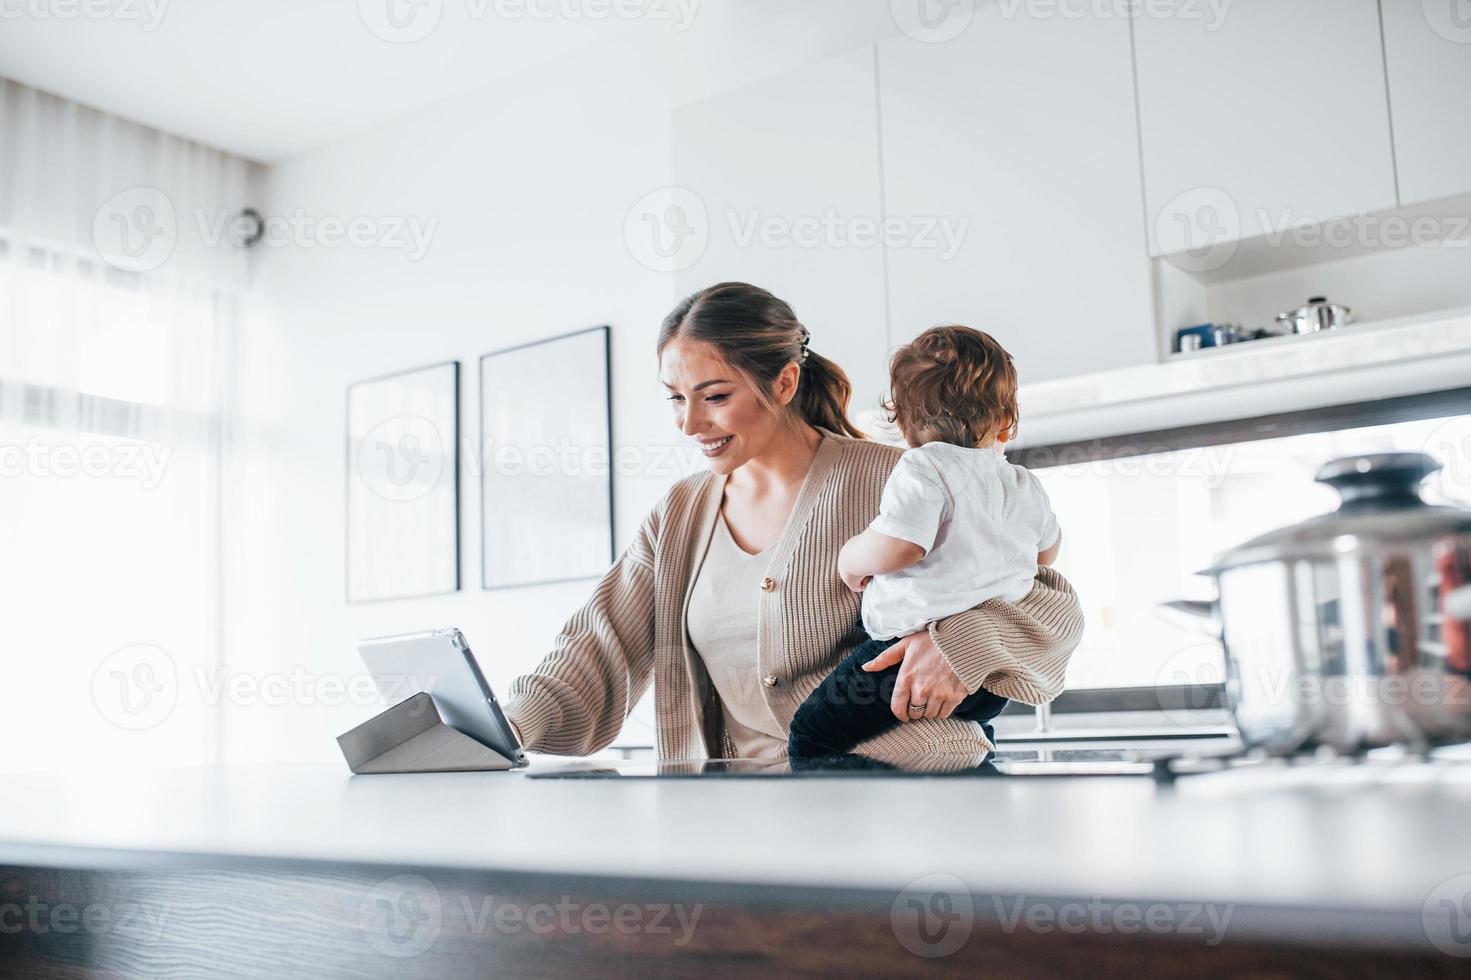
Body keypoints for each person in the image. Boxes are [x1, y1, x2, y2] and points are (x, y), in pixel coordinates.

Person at [502, 283, 1083, 765]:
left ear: (783, 383)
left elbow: (1052, 606)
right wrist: (501, 728)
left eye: (715, 396)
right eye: (676, 399)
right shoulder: (677, 516)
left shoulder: (903, 478)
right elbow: (597, 648)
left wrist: (961, 644)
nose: (690, 424)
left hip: (905, 808)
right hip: (737, 832)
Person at [787, 326, 1062, 758]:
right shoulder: (1023, 483)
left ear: (905, 424)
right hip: (991, 677)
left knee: (811, 736)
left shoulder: (922, 466)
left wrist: (851, 557)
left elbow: (901, 546)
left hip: (901, 660)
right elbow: (1045, 555)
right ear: (1007, 421)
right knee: (970, 734)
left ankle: (830, 822)